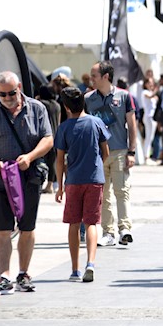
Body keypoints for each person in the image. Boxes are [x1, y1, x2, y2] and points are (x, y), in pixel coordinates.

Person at [0, 71, 54, 296]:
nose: (9, 97)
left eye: (12, 92)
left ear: (19, 86)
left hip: (29, 176)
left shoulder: (37, 109)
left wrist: (29, 157)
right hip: (2, 179)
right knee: (2, 229)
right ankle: (4, 276)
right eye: (3, 94)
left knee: (27, 227)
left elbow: (48, 139)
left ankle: (24, 273)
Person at [55, 87, 110, 283]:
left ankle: (75, 269)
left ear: (66, 107)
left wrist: (59, 186)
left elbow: (59, 160)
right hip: (94, 179)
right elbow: (106, 151)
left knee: (73, 224)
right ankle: (91, 263)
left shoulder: (64, 128)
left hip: (73, 181)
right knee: (92, 223)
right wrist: (97, 167)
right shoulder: (96, 122)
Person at [85, 61, 138, 247]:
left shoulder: (124, 96)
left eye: (94, 75)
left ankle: (125, 229)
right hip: (98, 154)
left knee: (122, 191)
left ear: (105, 76)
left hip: (120, 151)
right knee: (103, 194)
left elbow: (132, 126)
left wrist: (132, 152)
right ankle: (108, 232)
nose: (91, 79)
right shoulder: (88, 99)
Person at [37, 84, 61, 194]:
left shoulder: (42, 104)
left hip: (45, 136)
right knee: (53, 161)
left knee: (45, 161)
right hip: (56, 134)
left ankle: (47, 185)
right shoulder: (57, 105)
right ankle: (51, 184)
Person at [140, 77, 159, 163]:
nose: (151, 84)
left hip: (153, 117)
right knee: (148, 137)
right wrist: (156, 90)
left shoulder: (151, 93)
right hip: (148, 117)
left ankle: (147, 155)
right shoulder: (145, 92)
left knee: (150, 138)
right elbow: (150, 96)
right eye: (149, 83)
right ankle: (145, 157)